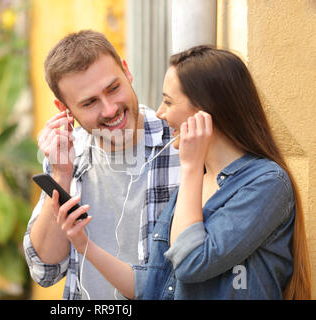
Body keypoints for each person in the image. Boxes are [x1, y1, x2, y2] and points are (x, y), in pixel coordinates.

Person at [56, 45, 312, 299]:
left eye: (168, 101)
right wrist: (83, 245)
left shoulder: (266, 183)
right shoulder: (197, 182)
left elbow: (191, 263)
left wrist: (189, 167)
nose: (160, 112)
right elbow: (153, 283)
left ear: (205, 110)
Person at [23, 30, 181, 300]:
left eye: (113, 88)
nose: (109, 109)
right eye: (90, 102)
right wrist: (61, 175)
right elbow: (44, 270)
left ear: (126, 71)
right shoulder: (66, 156)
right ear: (65, 109)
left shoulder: (179, 144)